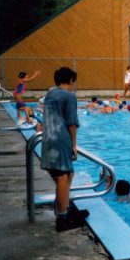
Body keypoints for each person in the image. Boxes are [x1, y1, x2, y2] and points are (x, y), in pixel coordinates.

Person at [40, 67, 89, 231]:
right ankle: (62, 219)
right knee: (62, 176)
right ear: (70, 81)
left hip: (47, 138)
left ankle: (64, 208)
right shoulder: (69, 96)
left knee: (68, 174)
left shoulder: (50, 93)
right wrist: (73, 145)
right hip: (61, 139)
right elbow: (71, 123)